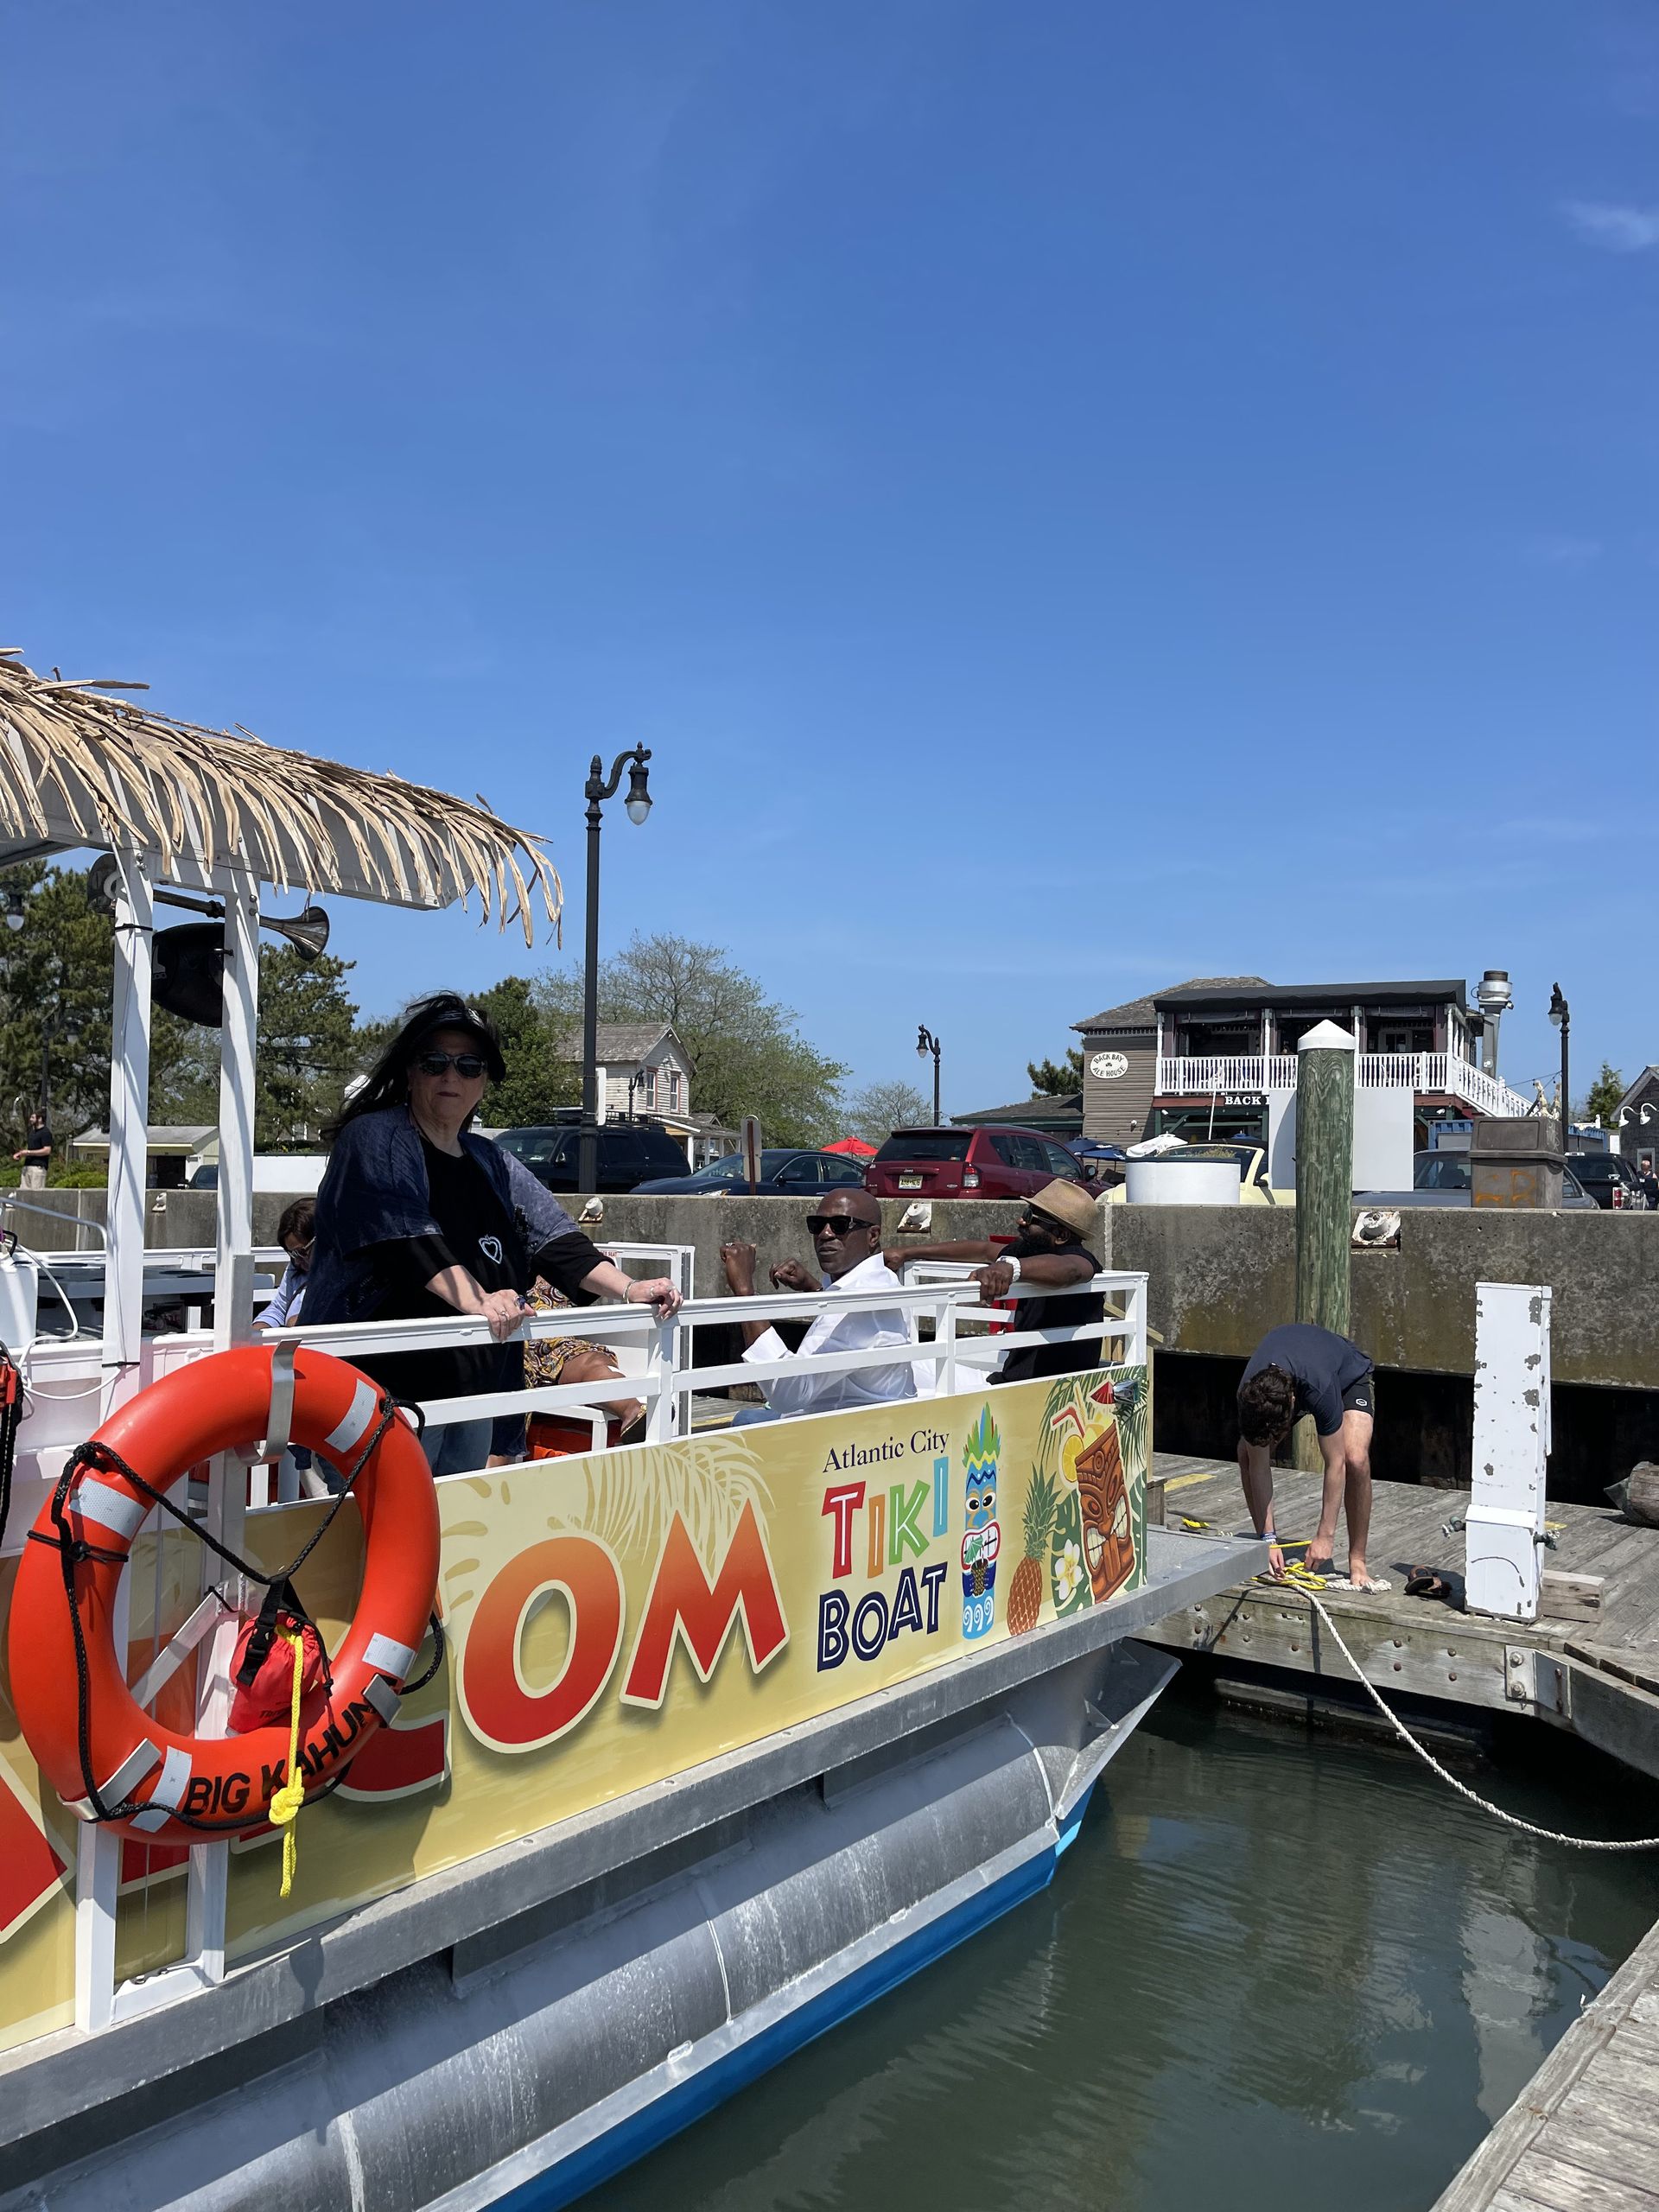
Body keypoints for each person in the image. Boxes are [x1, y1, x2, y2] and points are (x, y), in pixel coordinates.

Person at [303, 992, 681, 1475]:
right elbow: (405, 1238)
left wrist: (631, 1288)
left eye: (469, 1065)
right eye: (434, 1061)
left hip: (469, 1397)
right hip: (381, 1399)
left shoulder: (489, 1158)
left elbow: (557, 1238)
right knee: (378, 1544)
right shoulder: (375, 1137)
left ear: (485, 1080)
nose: (450, 1076)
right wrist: (481, 1300)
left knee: (451, 1540)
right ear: (410, 1071)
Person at [719, 1188, 916, 1421]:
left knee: (744, 1419)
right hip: (869, 1416)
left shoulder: (859, 1302)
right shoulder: (883, 1281)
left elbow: (788, 1393)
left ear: (872, 1236)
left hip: (839, 1429)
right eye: (817, 1225)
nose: (825, 1234)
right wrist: (814, 1289)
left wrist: (744, 1292)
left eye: (840, 1225)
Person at [888, 1179, 1103, 1382]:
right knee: (905, 1363)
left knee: (903, 1371)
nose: (1020, 1221)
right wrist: (906, 1252)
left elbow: (1072, 1270)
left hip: (1034, 1391)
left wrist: (1011, 1268)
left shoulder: (1079, 1258)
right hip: (1012, 1381)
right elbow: (981, 1250)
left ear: (1060, 1235)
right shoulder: (1032, 1251)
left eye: (1030, 1217)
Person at [1236, 1321, 1381, 1590]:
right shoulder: (1249, 1393)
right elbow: (1258, 1464)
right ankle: (1263, 1545)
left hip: (1347, 1376)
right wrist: (1268, 1539)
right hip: (1287, 1377)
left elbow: (1335, 1464)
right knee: (1247, 1452)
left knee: (1355, 1458)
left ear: (1292, 1404)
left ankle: (1357, 1559)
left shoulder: (1320, 1388)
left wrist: (1325, 1536)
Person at [253, 1198, 315, 1329]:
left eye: (302, 1252)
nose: (297, 1260)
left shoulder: (342, 1273)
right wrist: (258, 1329)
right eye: (292, 1254)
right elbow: (279, 1309)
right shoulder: (296, 1268)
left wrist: (301, 1320)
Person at [12, 1111, 51, 1191]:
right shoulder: (32, 1133)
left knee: (36, 1195)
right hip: (27, 1167)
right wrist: (20, 1154)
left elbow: (47, 1150)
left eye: (33, 1117)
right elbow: (30, 1149)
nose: (30, 1119)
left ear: (39, 1119)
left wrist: (29, 1152)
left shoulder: (45, 1132)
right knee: (24, 1194)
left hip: (38, 1168)